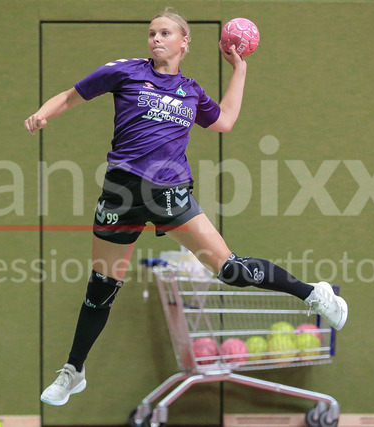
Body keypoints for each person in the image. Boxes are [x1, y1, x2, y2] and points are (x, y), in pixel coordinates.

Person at [25, 9, 348, 406]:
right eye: (151, 33)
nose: (155, 39)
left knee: (230, 269)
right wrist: (43, 114)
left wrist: (240, 69)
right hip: (121, 194)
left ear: (184, 42)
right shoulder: (125, 72)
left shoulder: (190, 91)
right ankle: (73, 371)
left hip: (170, 194)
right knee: (101, 287)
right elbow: (71, 95)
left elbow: (224, 121)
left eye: (165, 33)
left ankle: (314, 294)